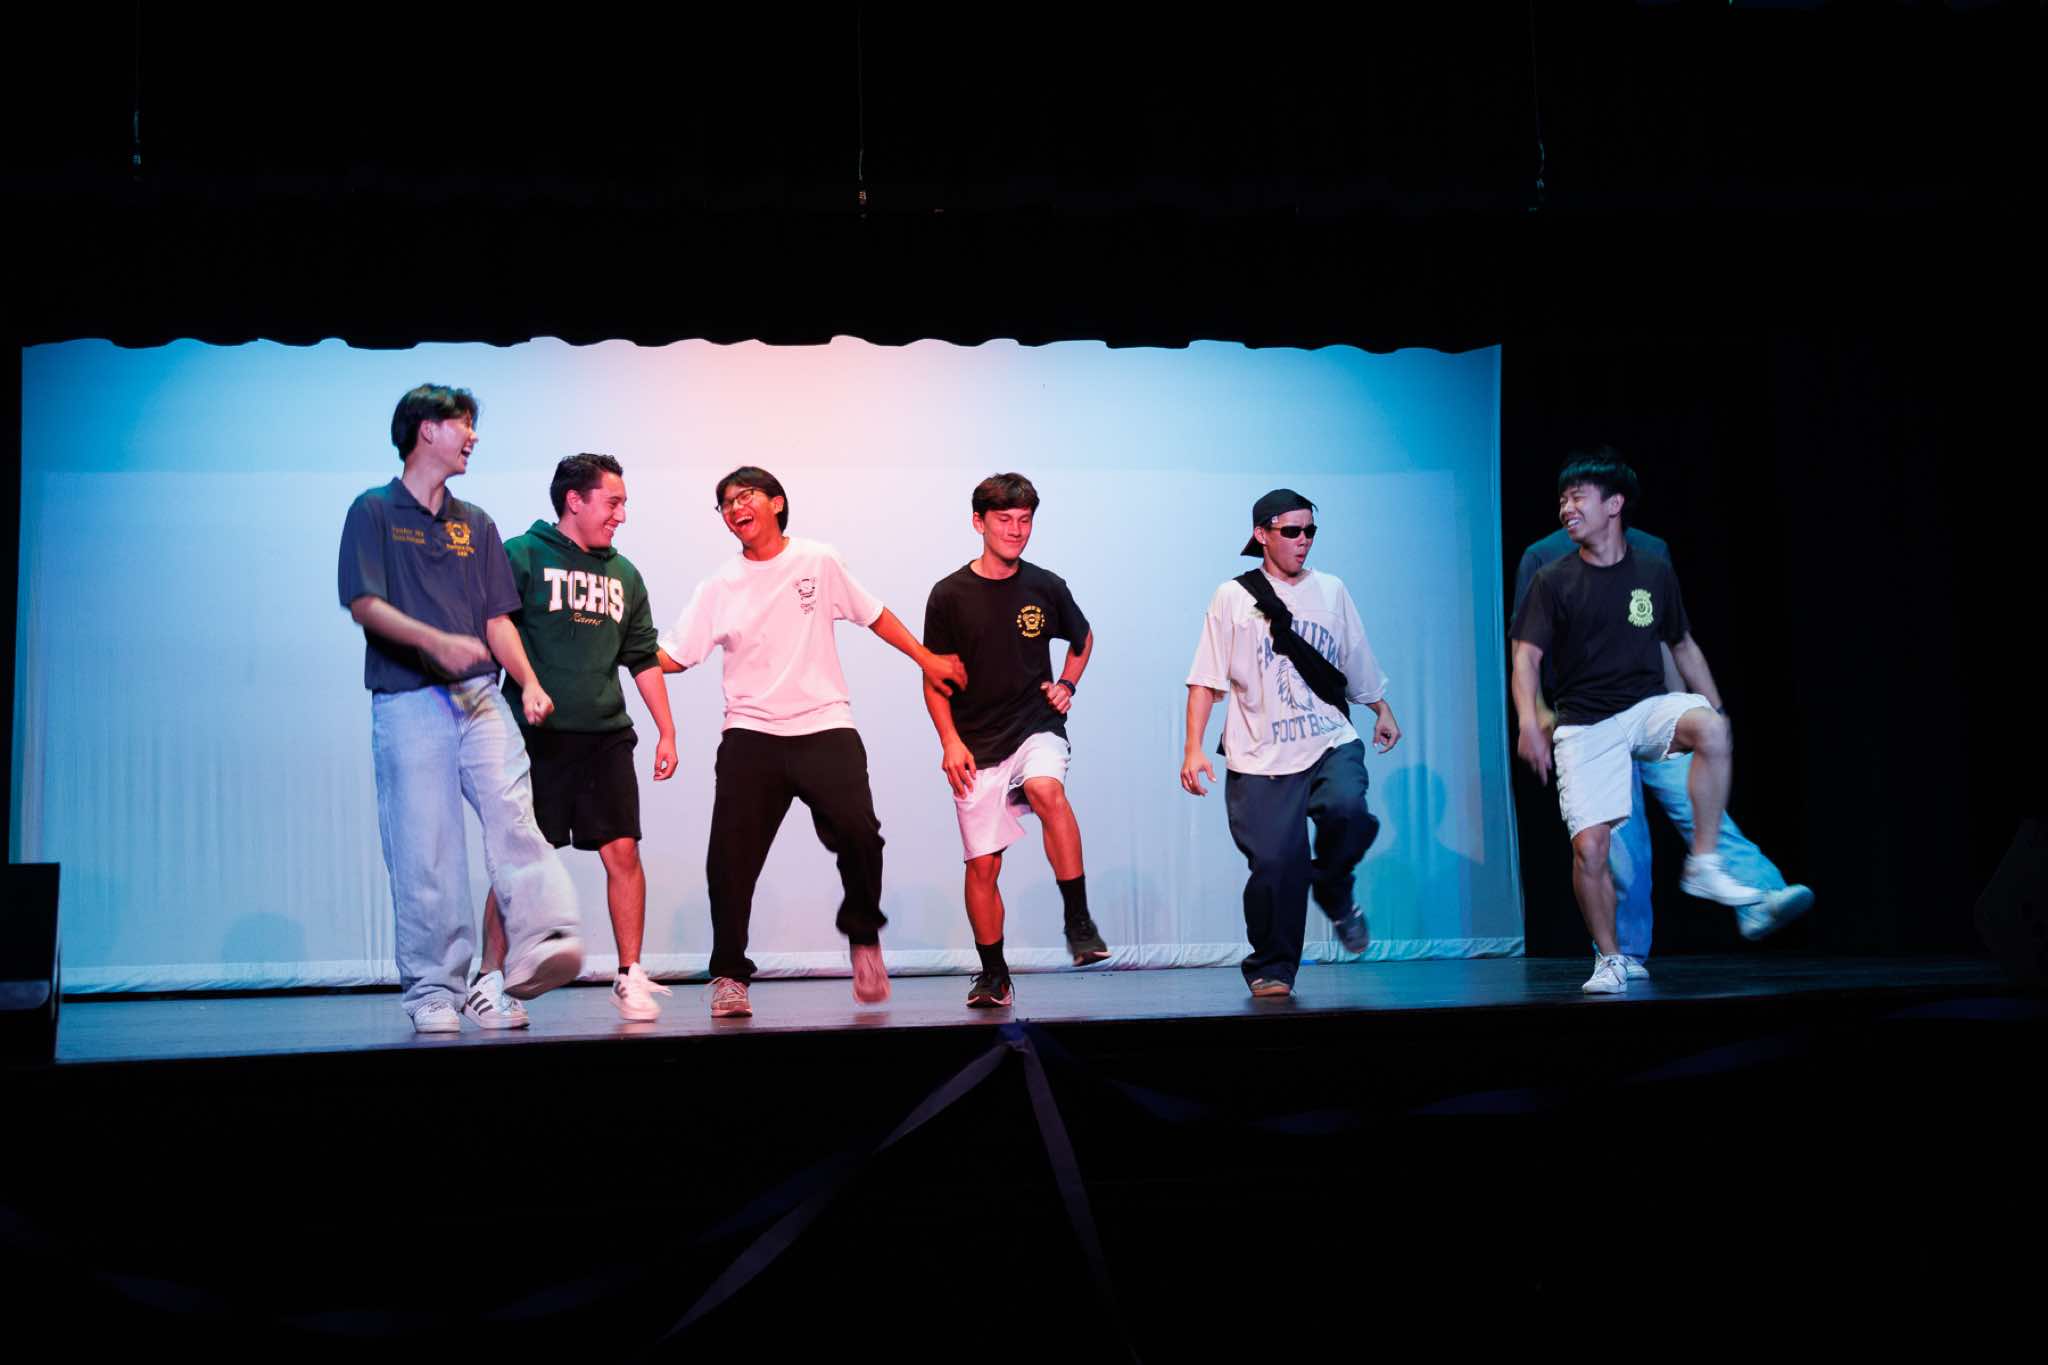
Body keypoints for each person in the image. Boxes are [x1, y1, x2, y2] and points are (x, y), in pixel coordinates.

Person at [658, 467, 968, 1018]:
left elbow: (874, 615)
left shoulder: (817, 560)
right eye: (725, 504)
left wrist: (928, 659)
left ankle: (863, 936)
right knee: (728, 861)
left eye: (746, 496)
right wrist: (611, 648)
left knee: (861, 834)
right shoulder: (719, 585)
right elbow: (676, 656)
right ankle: (729, 975)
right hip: (750, 734)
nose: (735, 508)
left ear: (777, 503)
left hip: (824, 725)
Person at [1509, 453, 1809, 995]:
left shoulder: (1651, 556)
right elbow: (1528, 651)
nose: (1569, 506)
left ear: (1613, 502)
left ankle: (1755, 894)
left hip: (1650, 705)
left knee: (1701, 797)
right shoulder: (1545, 562)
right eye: (1565, 497)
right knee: (1616, 846)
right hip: (1586, 718)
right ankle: (1621, 954)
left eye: (1580, 495)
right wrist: (1537, 716)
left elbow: (1667, 637)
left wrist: (1696, 708)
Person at [337, 384, 583, 1033]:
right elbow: (364, 603)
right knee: (428, 846)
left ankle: (535, 946)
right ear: (426, 429)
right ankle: (433, 990)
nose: (472, 436)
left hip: (477, 695)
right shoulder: (373, 511)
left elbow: (498, 618)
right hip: (407, 696)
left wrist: (528, 680)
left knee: (513, 809)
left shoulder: (475, 522)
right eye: (462, 423)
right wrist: (434, 640)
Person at [467, 454, 681, 1027]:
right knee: (520, 863)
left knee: (623, 851)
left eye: (623, 504)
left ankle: (629, 974)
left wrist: (667, 730)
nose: (621, 515)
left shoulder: (625, 574)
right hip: (536, 737)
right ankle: (489, 979)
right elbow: (492, 629)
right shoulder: (522, 554)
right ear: (574, 500)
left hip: (606, 736)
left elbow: (641, 656)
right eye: (613, 502)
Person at [1181, 489, 1401, 998]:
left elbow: (1355, 656)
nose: (1304, 541)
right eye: (1292, 531)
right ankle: (1273, 965)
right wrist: (1193, 748)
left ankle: (1334, 885)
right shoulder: (1232, 597)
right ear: (1262, 534)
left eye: (1310, 531)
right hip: (1259, 755)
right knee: (1277, 866)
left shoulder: (1332, 590)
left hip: (1328, 739)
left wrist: (1380, 708)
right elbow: (1204, 679)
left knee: (1348, 810)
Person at [921, 473, 1108, 1010]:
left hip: (1035, 725)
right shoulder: (949, 594)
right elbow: (934, 678)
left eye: (1024, 520)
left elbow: (1083, 637)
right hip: (976, 743)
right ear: (978, 522)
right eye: (1004, 520)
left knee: (1048, 789)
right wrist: (949, 741)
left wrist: (1067, 684)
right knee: (983, 865)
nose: (1016, 530)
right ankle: (994, 974)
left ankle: (1078, 921)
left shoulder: (1045, 585)